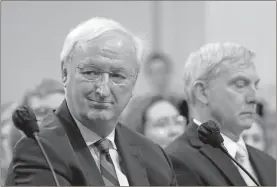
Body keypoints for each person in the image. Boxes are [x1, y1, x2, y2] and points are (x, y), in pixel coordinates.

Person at [5, 17, 177, 186]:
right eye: (91, 73)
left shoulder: (154, 157)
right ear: (65, 73)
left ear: (133, 84)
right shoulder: (39, 151)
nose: (103, 90)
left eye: (118, 76)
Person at [166, 42, 276, 186]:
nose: (254, 98)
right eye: (240, 85)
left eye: (256, 86)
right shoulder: (177, 161)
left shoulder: (268, 163)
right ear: (203, 92)